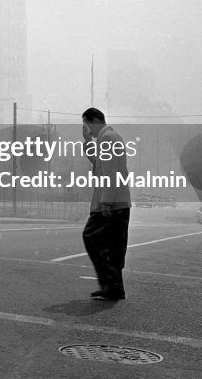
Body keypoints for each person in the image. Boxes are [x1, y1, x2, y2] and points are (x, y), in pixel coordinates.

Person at [81, 107, 131, 300]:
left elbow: (111, 173)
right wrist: (87, 142)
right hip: (117, 202)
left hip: (111, 203)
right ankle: (115, 287)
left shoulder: (108, 138)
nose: (85, 128)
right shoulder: (106, 138)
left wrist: (106, 203)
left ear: (94, 120)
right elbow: (98, 163)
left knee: (91, 237)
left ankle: (110, 282)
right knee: (113, 245)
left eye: (85, 124)